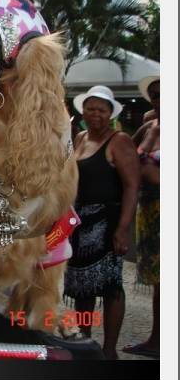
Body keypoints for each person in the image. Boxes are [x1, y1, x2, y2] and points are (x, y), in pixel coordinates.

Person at [64, 85, 139, 359]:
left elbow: (132, 186)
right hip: (79, 223)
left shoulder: (120, 141)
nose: (95, 114)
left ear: (111, 114)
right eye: (91, 108)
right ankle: (85, 342)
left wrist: (122, 229)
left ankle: (109, 350)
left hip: (108, 223)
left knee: (110, 287)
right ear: (83, 111)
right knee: (82, 288)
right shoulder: (80, 137)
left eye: (102, 110)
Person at [123, 76, 160, 359]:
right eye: (154, 95)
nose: (158, 99)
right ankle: (157, 339)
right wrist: (148, 137)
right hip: (150, 211)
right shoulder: (150, 126)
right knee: (159, 280)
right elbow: (128, 156)